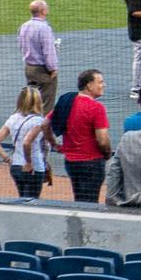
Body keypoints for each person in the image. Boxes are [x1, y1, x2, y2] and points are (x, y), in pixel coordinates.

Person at [53, 68, 111, 202]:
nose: (104, 85)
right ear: (89, 85)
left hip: (71, 163)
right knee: (91, 203)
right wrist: (107, 154)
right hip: (92, 164)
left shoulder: (67, 101)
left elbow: (44, 125)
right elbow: (102, 140)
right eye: (100, 82)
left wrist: (54, 144)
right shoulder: (97, 108)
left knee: (79, 199)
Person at [0, 85, 46, 197]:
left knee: (22, 198)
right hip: (33, 168)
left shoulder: (13, 118)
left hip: (16, 165)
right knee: (31, 201)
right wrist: (29, 163)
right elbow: (26, 143)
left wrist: (8, 159)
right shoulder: (38, 121)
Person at [18, 0, 60, 112]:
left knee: (31, 100)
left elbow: (21, 45)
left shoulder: (24, 26)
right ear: (43, 11)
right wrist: (53, 69)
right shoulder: (44, 28)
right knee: (47, 103)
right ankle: (44, 128)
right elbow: (48, 51)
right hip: (43, 70)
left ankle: (30, 125)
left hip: (29, 68)